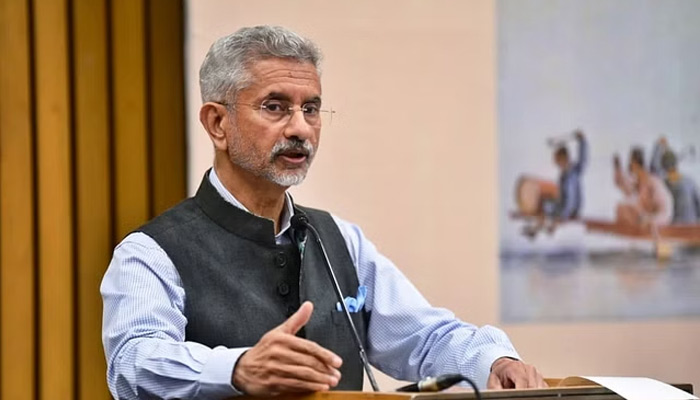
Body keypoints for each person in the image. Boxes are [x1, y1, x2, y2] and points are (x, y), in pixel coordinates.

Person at [101, 25, 545, 400]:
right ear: (218, 123)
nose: (300, 128)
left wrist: (494, 360)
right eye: (275, 107)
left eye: (310, 109)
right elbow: (133, 362)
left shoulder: (340, 240)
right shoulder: (152, 251)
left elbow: (425, 338)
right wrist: (237, 368)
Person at [522, 130, 587, 238]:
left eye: (558, 161)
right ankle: (536, 229)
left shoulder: (570, 175)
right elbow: (583, 159)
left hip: (569, 209)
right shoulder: (572, 171)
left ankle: (536, 229)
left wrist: (557, 222)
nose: (557, 165)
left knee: (544, 205)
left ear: (564, 159)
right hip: (572, 208)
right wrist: (582, 141)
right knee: (547, 202)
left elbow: (569, 201)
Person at [613, 146, 673, 227]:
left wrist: (652, 221)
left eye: (631, 162)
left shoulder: (653, 183)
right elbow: (624, 185)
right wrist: (617, 168)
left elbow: (665, 210)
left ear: (635, 163)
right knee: (621, 208)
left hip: (659, 220)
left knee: (629, 210)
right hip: (644, 218)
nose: (629, 166)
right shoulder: (638, 181)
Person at [650, 137, 700, 224]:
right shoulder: (689, 182)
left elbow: (653, 170)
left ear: (663, 167)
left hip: (673, 227)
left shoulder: (663, 185)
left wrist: (658, 147)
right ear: (676, 165)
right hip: (691, 226)